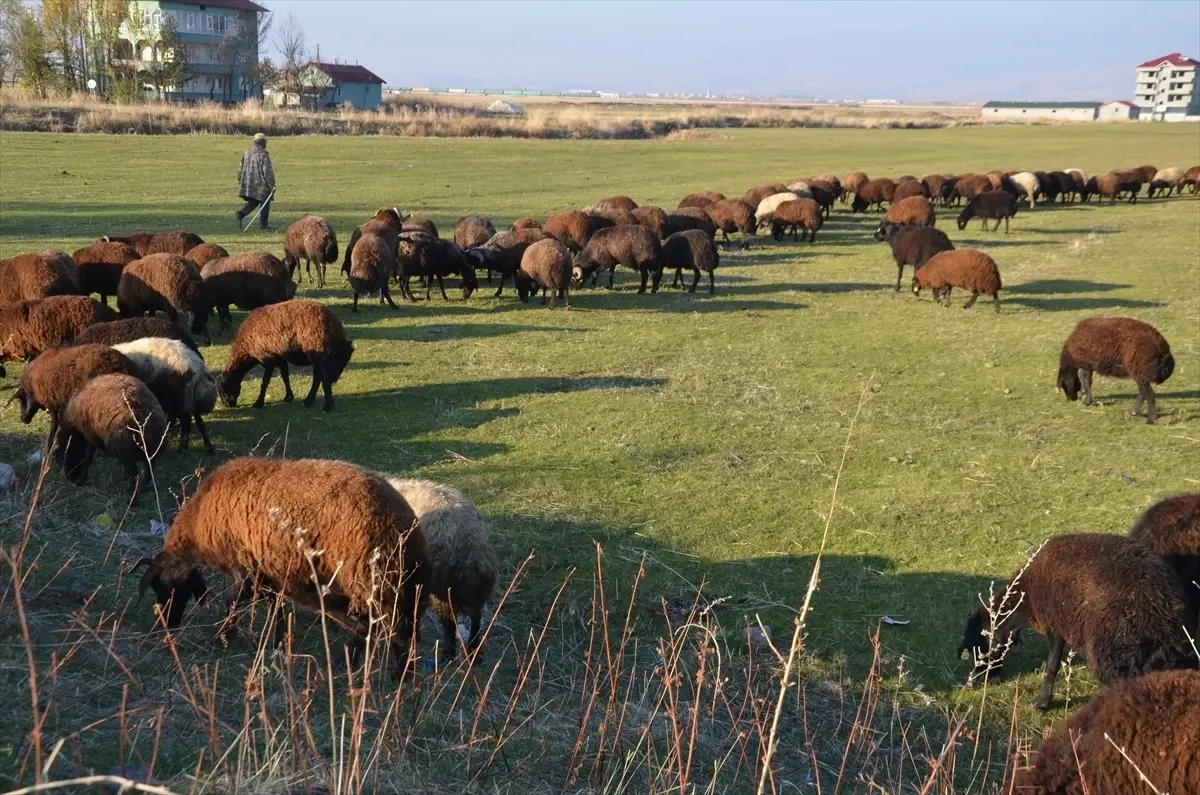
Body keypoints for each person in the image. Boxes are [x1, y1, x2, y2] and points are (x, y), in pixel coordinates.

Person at [236, 132, 276, 230]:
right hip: (261, 183)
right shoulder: (263, 154)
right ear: (261, 142)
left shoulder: (246, 152)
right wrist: (272, 185)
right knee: (265, 201)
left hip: (248, 183)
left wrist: (240, 180)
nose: (266, 144)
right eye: (265, 142)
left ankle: (241, 214)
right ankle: (263, 225)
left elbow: (240, 168)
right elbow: (267, 171)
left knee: (254, 200)